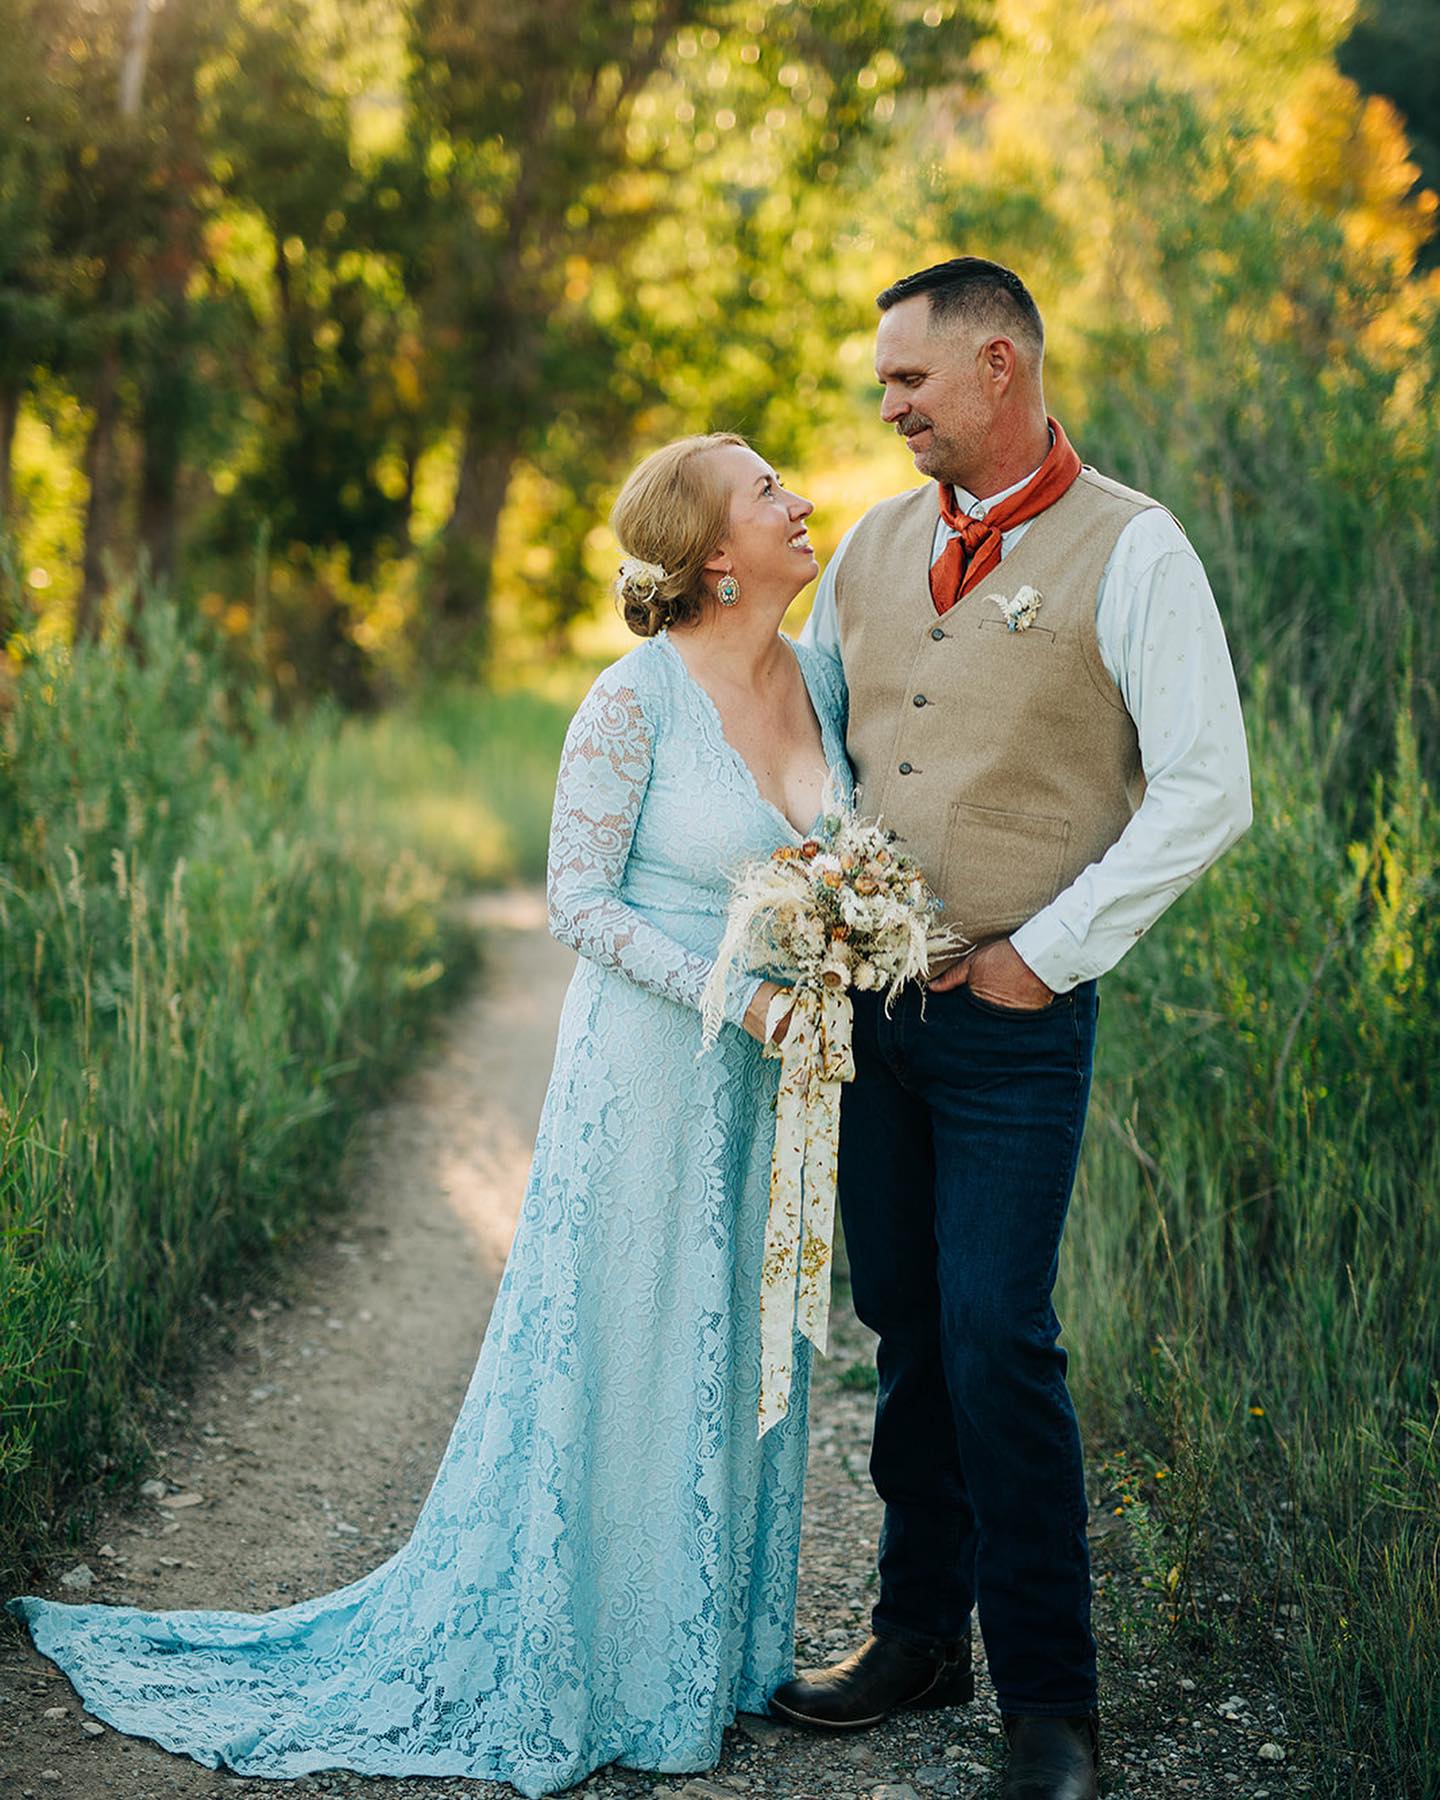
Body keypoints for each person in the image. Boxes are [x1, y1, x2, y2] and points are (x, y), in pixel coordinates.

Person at [7, 434, 850, 1799]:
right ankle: (596, 1666)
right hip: (651, 1070)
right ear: (712, 553)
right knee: (630, 1342)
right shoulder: (631, 701)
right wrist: (736, 999)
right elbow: (577, 902)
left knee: (735, 1346)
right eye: (768, 490)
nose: (799, 498)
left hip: (774, 1086)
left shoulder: (823, 679)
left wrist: (837, 958)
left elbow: (834, 864)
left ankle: (705, 1657)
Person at [773, 259, 1252, 1800]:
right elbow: (825, 743)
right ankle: (919, 1634)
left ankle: (1054, 1703)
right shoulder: (871, 542)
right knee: (905, 1324)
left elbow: (1206, 789)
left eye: (908, 379)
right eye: (884, 383)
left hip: (1013, 1026)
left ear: (998, 367)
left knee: (997, 1337)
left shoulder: (1137, 548)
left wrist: (1046, 954)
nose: (888, 405)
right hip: (872, 1020)